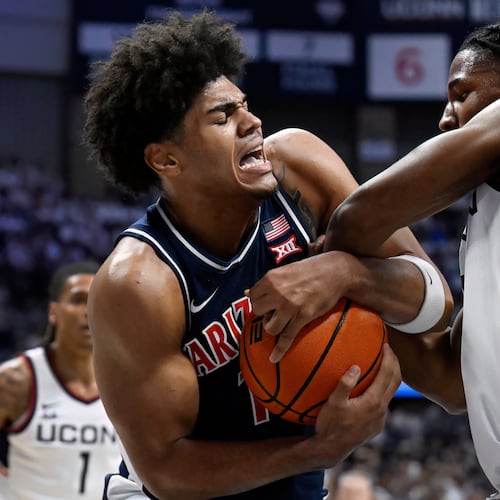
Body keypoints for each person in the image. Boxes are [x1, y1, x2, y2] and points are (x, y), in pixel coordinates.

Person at [82, 10, 453, 499]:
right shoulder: (138, 281)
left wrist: (347, 273)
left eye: (244, 106)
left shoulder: (298, 166)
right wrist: (317, 451)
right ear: (166, 159)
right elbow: (166, 470)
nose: (252, 122)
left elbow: (437, 306)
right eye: (223, 116)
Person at [325, 22, 500, 498]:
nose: (446, 118)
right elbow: (452, 382)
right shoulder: (486, 212)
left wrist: (329, 257)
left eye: (461, 95)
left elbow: (358, 217)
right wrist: (351, 302)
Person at [0, 260, 122, 499]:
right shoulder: (15, 381)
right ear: (53, 312)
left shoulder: (130, 384)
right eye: (78, 300)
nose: (89, 310)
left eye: (97, 301)